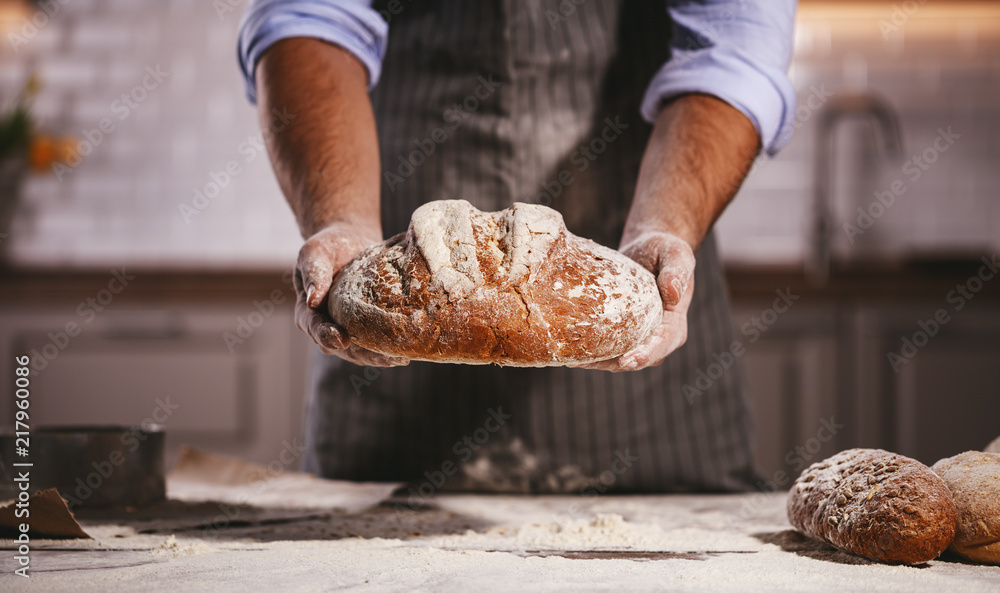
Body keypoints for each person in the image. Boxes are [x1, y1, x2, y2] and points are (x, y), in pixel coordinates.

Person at [238, 0, 797, 494]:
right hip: (394, 352)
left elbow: (734, 54)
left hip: (647, 373)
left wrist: (664, 225)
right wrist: (341, 218)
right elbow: (307, 20)